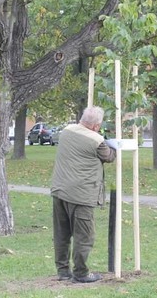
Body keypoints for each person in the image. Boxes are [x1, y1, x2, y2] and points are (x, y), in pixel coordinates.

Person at [50, 106, 115, 283]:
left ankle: (63, 271)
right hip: (82, 194)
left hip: (59, 190)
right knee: (84, 235)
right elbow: (109, 156)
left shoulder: (66, 131)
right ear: (96, 125)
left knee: (61, 234)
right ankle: (81, 273)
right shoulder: (97, 140)